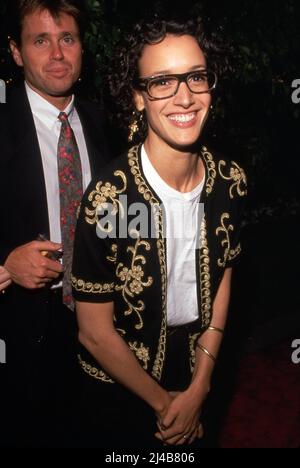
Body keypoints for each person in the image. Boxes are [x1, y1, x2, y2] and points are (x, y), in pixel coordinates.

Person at [72, 14, 247, 448]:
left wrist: (202, 385)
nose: (184, 97)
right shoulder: (111, 200)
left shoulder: (230, 181)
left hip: (199, 368)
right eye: (162, 82)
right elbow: (94, 331)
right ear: (137, 97)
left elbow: (225, 273)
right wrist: (168, 406)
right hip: (121, 386)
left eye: (196, 77)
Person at [0, 0, 109, 447]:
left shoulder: (107, 122)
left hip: (102, 327)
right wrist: (4, 264)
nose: (58, 54)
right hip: (21, 339)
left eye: (67, 38)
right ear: (16, 51)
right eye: (40, 40)